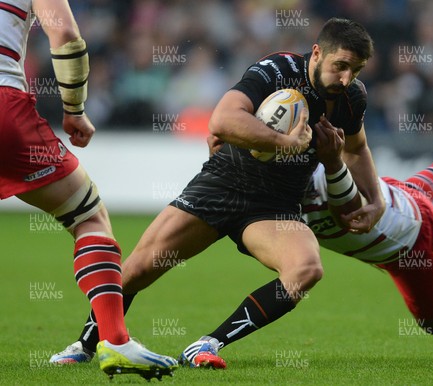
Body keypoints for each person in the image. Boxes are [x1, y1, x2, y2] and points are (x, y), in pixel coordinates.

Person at [51, 17, 385, 368]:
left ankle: (208, 344)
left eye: (356, 71)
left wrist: (374, 199)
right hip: (221, 184)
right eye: (341, 66)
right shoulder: (277, 70)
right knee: (136, 270)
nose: (347, 78)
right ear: (317, 53)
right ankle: (85, 345)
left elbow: (357, 148)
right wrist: (284, 141)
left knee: (306, 269)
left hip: (274, 206)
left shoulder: (351, 98)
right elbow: (222, 120)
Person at [180, 132, 433, 368]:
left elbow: (351, 210)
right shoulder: (286, 172)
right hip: (394, 196)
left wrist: (334, 162)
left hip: (412, 242)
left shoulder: (318, 183)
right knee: (410, 191)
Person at [0, 0, 178, 380]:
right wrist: (75, 108)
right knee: (87, 216)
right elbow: (65, 36)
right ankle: (115, 340)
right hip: (5, 110)